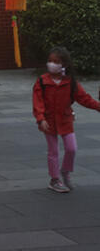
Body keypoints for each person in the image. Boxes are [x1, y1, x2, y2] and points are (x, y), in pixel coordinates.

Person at [32, 46, 100, 193]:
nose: (52, 64)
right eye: (50, 61)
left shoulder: (71, 83)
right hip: (48, 121)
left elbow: (84, 99)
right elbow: (38, 102)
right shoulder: (42, 81)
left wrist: (98, 107)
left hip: (65, 120)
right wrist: (40, 118)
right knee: (53, 151)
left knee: (71, 148)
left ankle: (65, 171)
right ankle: (54, 179)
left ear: (64, 64)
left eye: (56, 61)